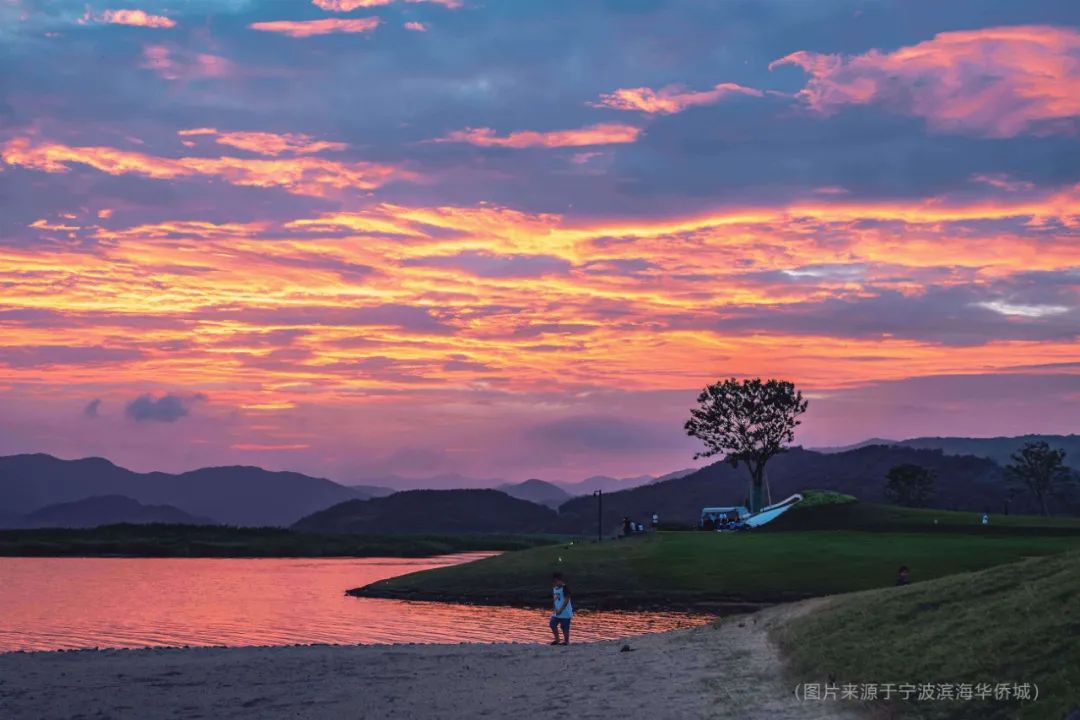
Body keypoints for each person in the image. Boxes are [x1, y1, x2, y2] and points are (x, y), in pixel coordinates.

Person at [549, 572, 573, 645]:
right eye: (554, 581)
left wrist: (560, 610)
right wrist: (555, 608)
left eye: (556, 581)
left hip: (565, 612)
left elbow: (566, 600)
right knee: (552, 624)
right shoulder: (555, 588)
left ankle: (566, 641)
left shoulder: (565, 588)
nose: (555, 583)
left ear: (560, 580)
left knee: (564, 627)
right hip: (556, 612)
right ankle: (557, 640)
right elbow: (555, 599)